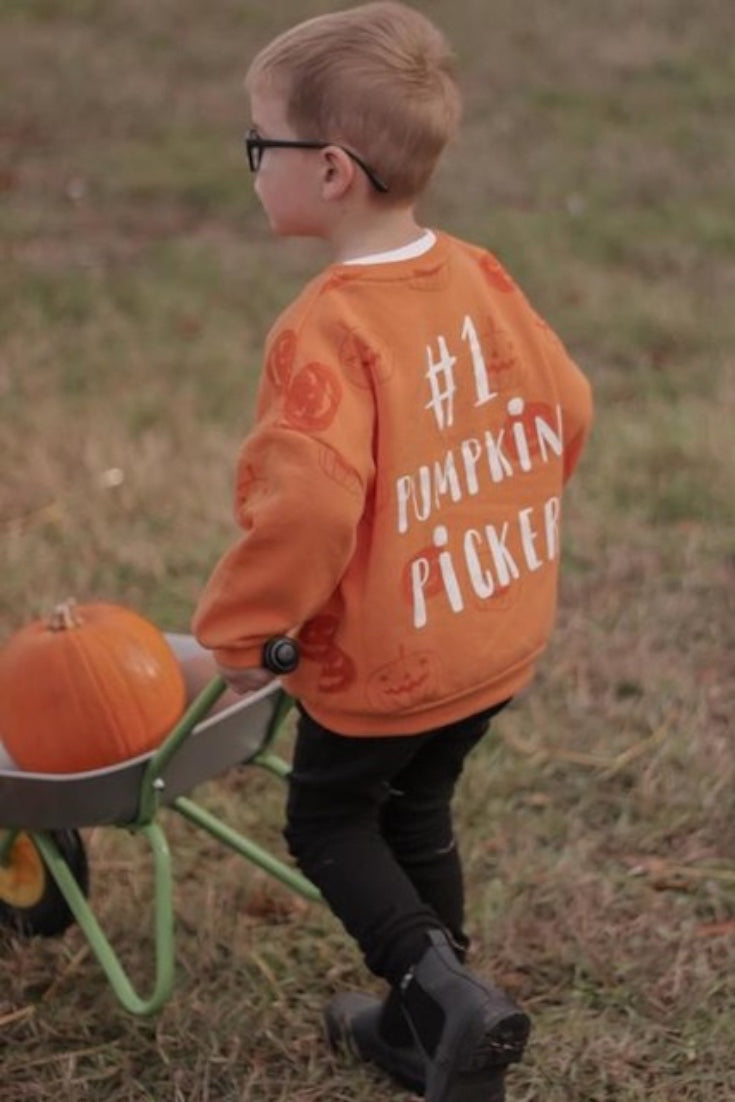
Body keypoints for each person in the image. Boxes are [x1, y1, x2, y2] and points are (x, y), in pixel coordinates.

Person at [192, 3, 593, 1099]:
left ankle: (442, 988)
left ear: (328, 171)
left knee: (329, 815)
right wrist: (493, 516)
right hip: (497, 630)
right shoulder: (477, 272)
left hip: (391, 657)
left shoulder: (325, 328)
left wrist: (240, 633)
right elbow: (568, 403)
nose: (251, 166)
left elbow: (311, 511)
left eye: (257, 144)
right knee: (417, 806)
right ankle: (431, 1031)